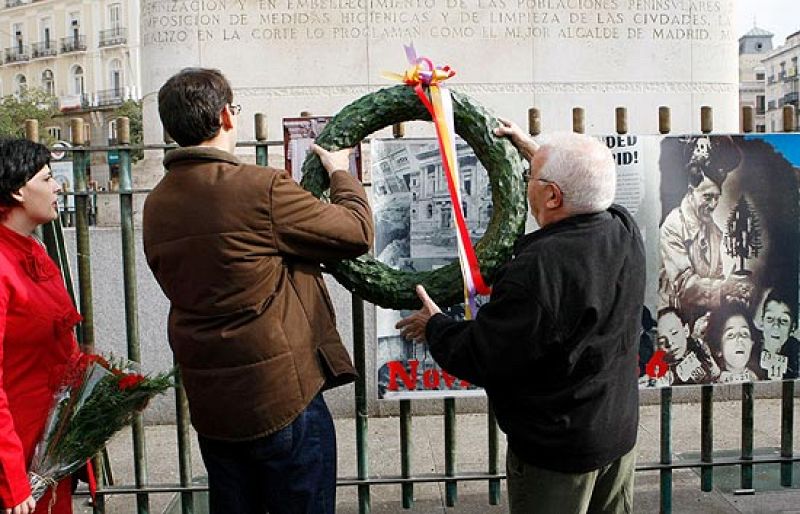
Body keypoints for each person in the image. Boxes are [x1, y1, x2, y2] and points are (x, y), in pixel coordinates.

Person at [142, 68, 373, 514]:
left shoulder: (157, 202)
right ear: (228, 115)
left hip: (212, 403)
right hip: (279, 398)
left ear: (170, 130)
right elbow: (356, 231)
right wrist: (342, 174)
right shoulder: (259, 188)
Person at [397, 124, 646, 514]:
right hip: (615, 433)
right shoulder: (624, 229)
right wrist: (537, 154)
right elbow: (585, 191)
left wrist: (435, 325)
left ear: (551, 195)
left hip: (558, 452)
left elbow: (486, 354)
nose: (526, 182)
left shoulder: (539, 270)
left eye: (533, 178)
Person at [0, 138, 81, 514]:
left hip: (47, 446)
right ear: (18, 190)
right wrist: (12, 481)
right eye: (47, 178)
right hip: (16, 454)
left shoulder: (35, 250)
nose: (58, 186)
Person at [658, 136, 750, 326]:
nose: (713, 205)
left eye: (717, 198)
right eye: (707, 197)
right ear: (691, 192)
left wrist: (732, 292)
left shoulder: (715, 232)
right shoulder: (673, 226)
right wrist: (725, 288)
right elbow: (684, 286)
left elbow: (716, 279)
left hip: (700, 323)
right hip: (671, 323)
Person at [651, 307, 720, 386]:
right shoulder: (659, 372)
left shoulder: (703, 353)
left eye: (674, 333)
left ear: (686, 330)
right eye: (662, 341)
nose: (669, 343)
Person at [706, 302, 763, 384]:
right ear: (718, 349)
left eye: (745, 333)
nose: (739, 339)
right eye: (731, 335)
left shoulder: (761, 380)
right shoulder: (711, 385)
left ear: (752, 343)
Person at [754, 288, 799, 380]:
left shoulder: (796, 353)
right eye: (770, 319)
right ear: (762, 321)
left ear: (793, 327)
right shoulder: (750, 352)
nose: (776, 326)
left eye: (783, 321)